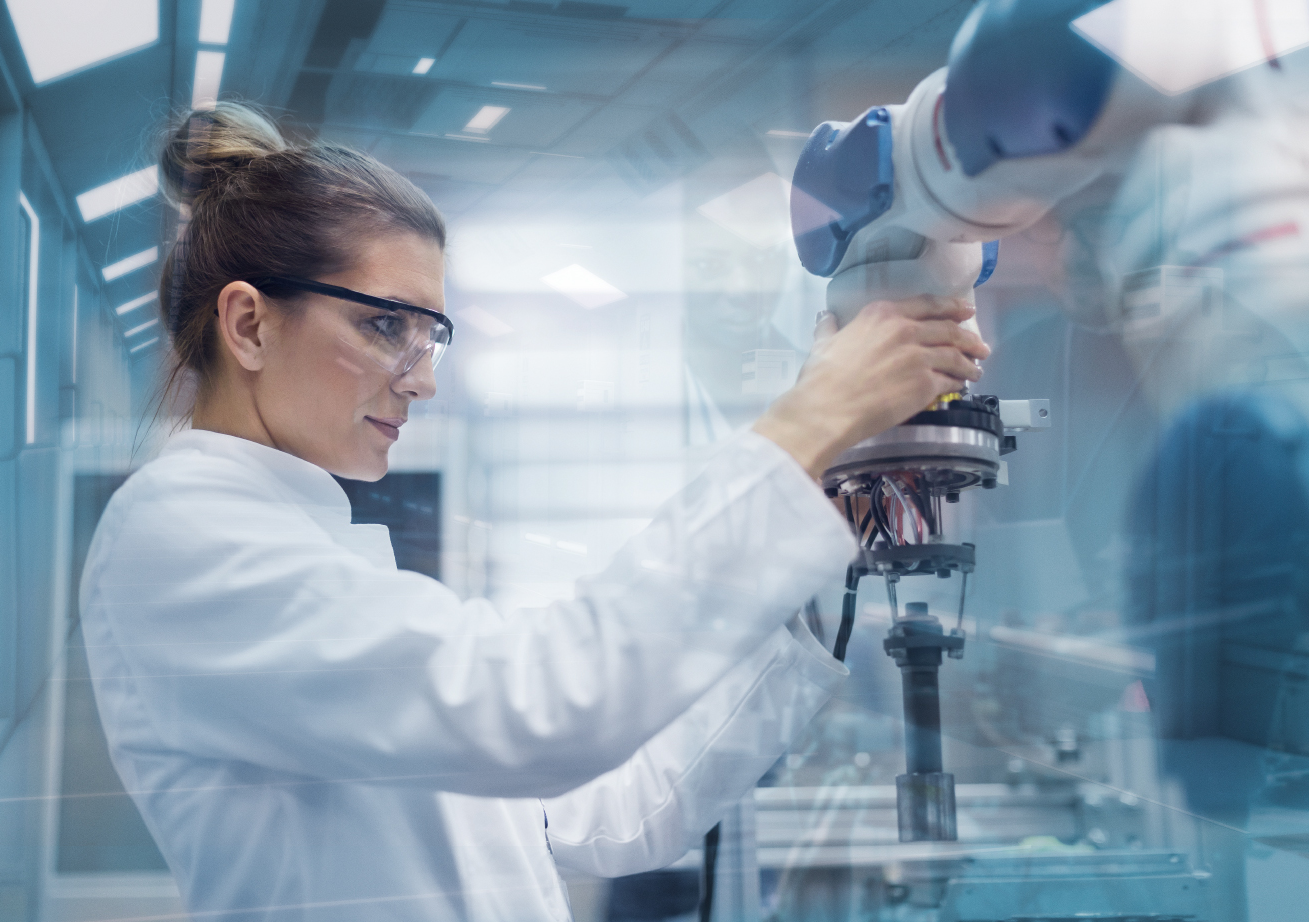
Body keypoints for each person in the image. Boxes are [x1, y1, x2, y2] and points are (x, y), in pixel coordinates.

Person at [79, 102, 988, 922]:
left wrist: (825, 504)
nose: (425, 378)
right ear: (248, 326)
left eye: (431, 333)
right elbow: (535, 708)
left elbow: (598, 816)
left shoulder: (317, 542)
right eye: (385, 325)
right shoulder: (179, 535)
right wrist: (809, 420)